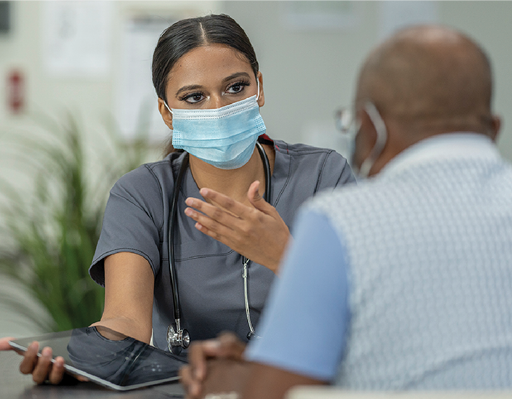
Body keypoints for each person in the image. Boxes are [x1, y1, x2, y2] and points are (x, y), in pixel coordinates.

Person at [179, 24, 512, 399]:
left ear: (369, 128)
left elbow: (275, 394)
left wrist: (241, 377)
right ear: (493, 129)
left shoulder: (339, 222)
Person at [0, 14, 355, 384]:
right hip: (191, 389)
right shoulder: (141, 194)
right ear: (166, 113)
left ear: (259, 88)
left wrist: (286, 257)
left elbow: (368, 302)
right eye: (194, 97)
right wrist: (82, 359)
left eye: (235, 88)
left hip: (308, 387)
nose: (217, 107)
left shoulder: (323, 176)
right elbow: (125, 320)